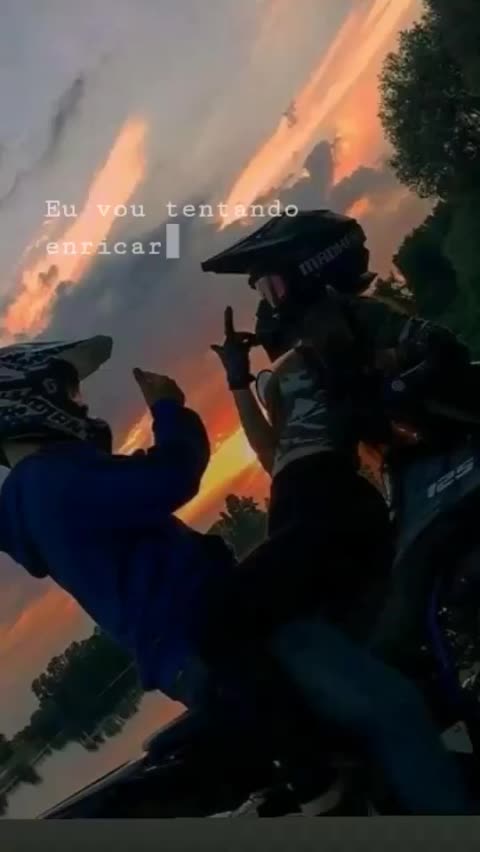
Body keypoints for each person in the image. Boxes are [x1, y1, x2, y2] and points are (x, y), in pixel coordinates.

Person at [200, 209, 474, 814]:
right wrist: (239, 382)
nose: (264, 302)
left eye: (269, 284)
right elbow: (273, 457)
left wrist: (385, 383)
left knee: (217, 614)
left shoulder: (352, 319)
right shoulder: (286, 367)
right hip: (299, 506)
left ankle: (316, 780)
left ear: (310, 271)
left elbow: (436, 348)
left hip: (335, 503)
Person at [0, 335, 231, 709]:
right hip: (203, 631)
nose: (81, 404)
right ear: (30, 399)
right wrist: (169, 409)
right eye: (72, 392)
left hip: (185, 650)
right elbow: (171, 476)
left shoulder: (35, 495)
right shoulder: (50, 480)